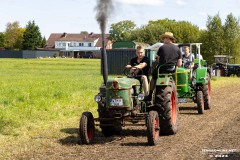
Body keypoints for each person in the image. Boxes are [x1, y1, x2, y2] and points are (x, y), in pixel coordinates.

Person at [147, 32, 182, 102]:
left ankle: (150, 94)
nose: (163, 40)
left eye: (164, 38)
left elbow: (158, 60)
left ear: (168, 38)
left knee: (154, 77)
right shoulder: (177, 49)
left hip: (162, 69)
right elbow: (179, 63)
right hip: (172, 70)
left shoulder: (162, 48)